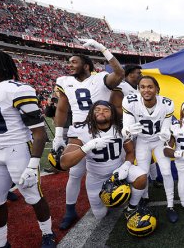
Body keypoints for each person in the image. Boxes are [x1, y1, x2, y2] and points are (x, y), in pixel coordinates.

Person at [0, 46, 55, 247]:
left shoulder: (18, 90)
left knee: (33, 196)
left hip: (17, 150)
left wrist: (33, 165)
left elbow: (39, 132)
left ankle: (47, 233)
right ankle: (0, 243)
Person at [53, 38, 125, 229]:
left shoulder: (100, 78)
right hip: (79, 130)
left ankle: (121, 195)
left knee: (114, 164)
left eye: (74, 62)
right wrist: (59, 135)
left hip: (104, 127)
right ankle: (70, 211)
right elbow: (61, 109)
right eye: (69, 62)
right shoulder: (64, 81)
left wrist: (102, 48)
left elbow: (119, 72)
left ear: (86, 65)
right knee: (75, 173)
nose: (70, 65)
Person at [59, 101, 147, 220]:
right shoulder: (82, 130)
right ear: (91, 112)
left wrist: (125, 167)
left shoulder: (120, 128)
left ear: (112, 114)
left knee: (141, 176)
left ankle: (131, 207)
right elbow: (64, 163)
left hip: (117, 172)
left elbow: (131, 152)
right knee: (100, 215)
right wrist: (87, 146)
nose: (101, 112)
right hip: (96, 178)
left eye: (106, 110)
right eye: (97, 109)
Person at [122, 75, 178, 222]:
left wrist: (167, 133)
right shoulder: (130, 102)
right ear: (138, 89)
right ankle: (144, 197)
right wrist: (128, 131)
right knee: (143, 172)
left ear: (157, 89)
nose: (146, 90)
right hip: (142, 140)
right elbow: (125, 130)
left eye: (150, 86)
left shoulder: (167, 103)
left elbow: (166, 127)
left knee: (166, 171)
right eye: (142, 87)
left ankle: (170, 205)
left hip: (159, 141)